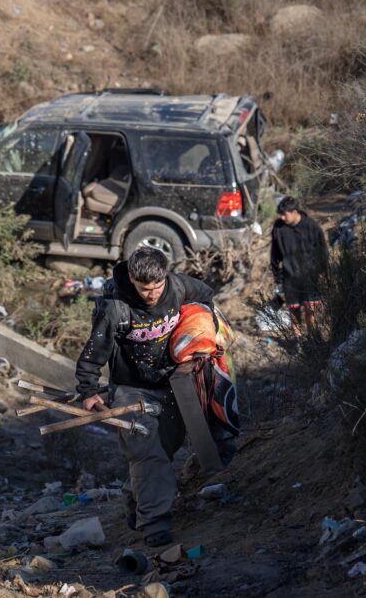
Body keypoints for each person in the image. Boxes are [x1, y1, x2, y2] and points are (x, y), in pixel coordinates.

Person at [75, 246, 233, 547]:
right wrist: (88, 390)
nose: (152, 295)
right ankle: (155, 524)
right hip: (130, 389)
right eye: (145, 289)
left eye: (157, 287)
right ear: (132, 279)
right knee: (147, 451)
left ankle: (137, 499)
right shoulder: (115, 307)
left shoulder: (178, 286)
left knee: (165, 449)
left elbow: (207, 299)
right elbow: (94, 351)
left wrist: (198, 336)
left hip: (174, 384)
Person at [270, 196, 327, 336]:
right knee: (294, 312)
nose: (282, 218)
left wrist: (323, 271)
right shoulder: (279, 227)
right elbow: (275, 253)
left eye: (285, 214)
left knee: (310, 310)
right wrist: (277, 276)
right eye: (281, 215)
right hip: (290, 276)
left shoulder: (311, 226)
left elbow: (322, 250)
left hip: (310, 275)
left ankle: (313, 339)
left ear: (295, 211)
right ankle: (298, 341)